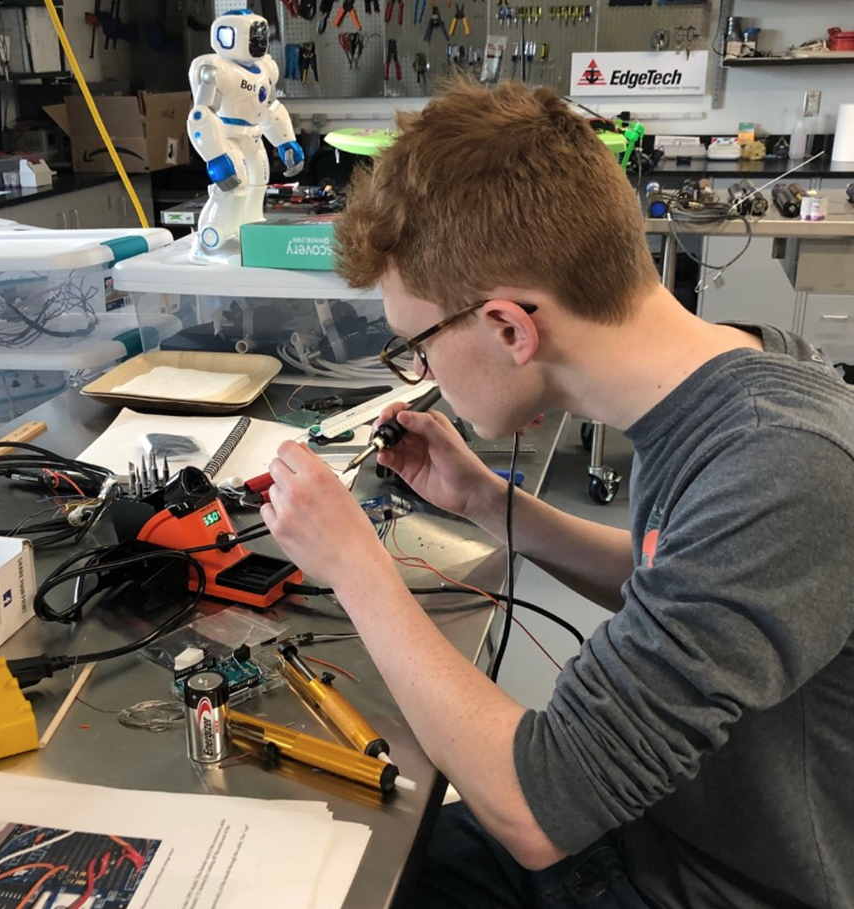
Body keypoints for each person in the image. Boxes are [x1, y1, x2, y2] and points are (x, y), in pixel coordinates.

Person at [259, 78, 854, 909]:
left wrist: (353, 562)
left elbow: (537, 807)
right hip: (649, 824)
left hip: (703, 881)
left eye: (418, 346)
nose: (420, 375)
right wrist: (486, 502)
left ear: (509, 327)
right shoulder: (725, 377)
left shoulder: (779, 463)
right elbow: (675, 584)